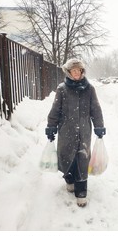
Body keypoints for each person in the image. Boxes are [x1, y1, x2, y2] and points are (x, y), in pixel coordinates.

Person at [45, 58, 106, 207]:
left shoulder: (89, 89)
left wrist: (99, 126)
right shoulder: (62, 89)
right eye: (74, 71)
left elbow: (95, 109)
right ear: (69, 72)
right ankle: (69, 180)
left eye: (79, 70)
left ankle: (81, 193)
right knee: (66, 158)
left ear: (82, 72)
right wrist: (51, 126)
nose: (77, 73)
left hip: (84, 131)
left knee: (82, 159)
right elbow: (55, 110)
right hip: (66, 130)